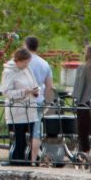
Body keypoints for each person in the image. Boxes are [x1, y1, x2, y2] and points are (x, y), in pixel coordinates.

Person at [2, 48, 41, 165]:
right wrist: (24, 92)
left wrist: (35, 91)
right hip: (17, 111)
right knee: (18, 138)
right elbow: (6, 92)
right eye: (24, 62)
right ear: (18, 60)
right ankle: (16, 160)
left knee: (27, 137)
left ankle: (28, 160)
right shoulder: (9, 72)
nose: (26, 65)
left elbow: (34, 84)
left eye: (27, 62)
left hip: (30, 109)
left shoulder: (27, 69)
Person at [23, 36, 55, 165]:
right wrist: (44, 97)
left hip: (23, 100)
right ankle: (33, 159)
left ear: (26, 45)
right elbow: (49, 86)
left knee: (21, 129)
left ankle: (20, 156)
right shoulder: (44, 63)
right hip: (38, 100)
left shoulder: (24, 61)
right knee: (35, 132)